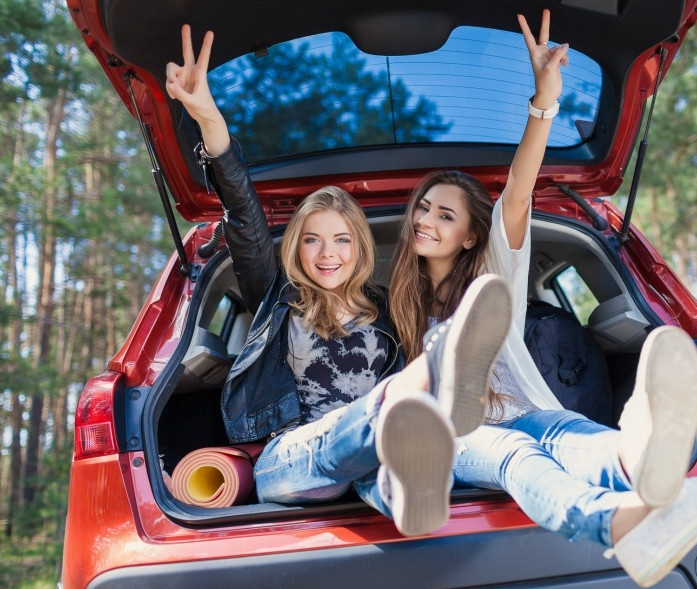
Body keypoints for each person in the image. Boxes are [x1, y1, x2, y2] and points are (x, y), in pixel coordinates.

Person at [385, 10, 697, 587]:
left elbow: (516, 192)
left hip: (529, 415)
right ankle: (624, 522)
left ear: (470, 235)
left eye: (444, 213)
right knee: (522, 455)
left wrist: (545, 100)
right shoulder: (399, 304)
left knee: (576, 436)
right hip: (453, 438)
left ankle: (655, 466)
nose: (423, 218)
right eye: (423, 207)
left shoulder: (494, 275)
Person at [166, 24, 513, 537]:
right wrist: (209, 120)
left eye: (342, 240)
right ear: (295, 249)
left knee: (380, 471)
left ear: (361, 249)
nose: (327, 253)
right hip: (294, 458)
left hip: (371, 457)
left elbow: (443, 277)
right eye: (312, 239)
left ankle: (407, 494)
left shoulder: (388, 311)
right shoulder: (276, 298)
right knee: (358, 437)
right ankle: (411, 401)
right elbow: (243, 214)